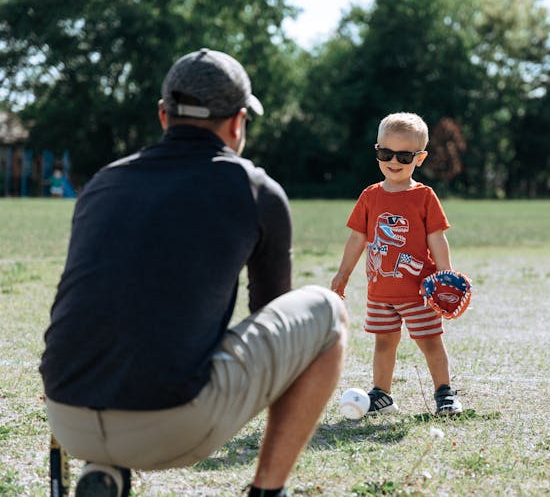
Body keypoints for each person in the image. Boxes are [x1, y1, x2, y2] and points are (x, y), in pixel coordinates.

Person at [40, 48, 348, 497]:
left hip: (66, 413)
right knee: (326, 312)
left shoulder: (104, 181)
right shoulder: (256, 188)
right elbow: (272, 314)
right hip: (175, 426)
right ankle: (268, 490)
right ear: (238, 122)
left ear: (164, 116)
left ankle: (104, 469)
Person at [330, 112, 462, 416]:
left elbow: (437, 238)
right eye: (385, 153)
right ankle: (382, 393)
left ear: (420, 158)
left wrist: (445, 274)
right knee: (384, 343)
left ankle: (445, 393)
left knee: (430, 342)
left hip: (418, 291)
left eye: (404, 155)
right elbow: (357, 239)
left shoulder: (424, 196)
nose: (394, 161)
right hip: (380, 292)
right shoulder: (370, 196)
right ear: (377, 150)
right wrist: (342, 274)